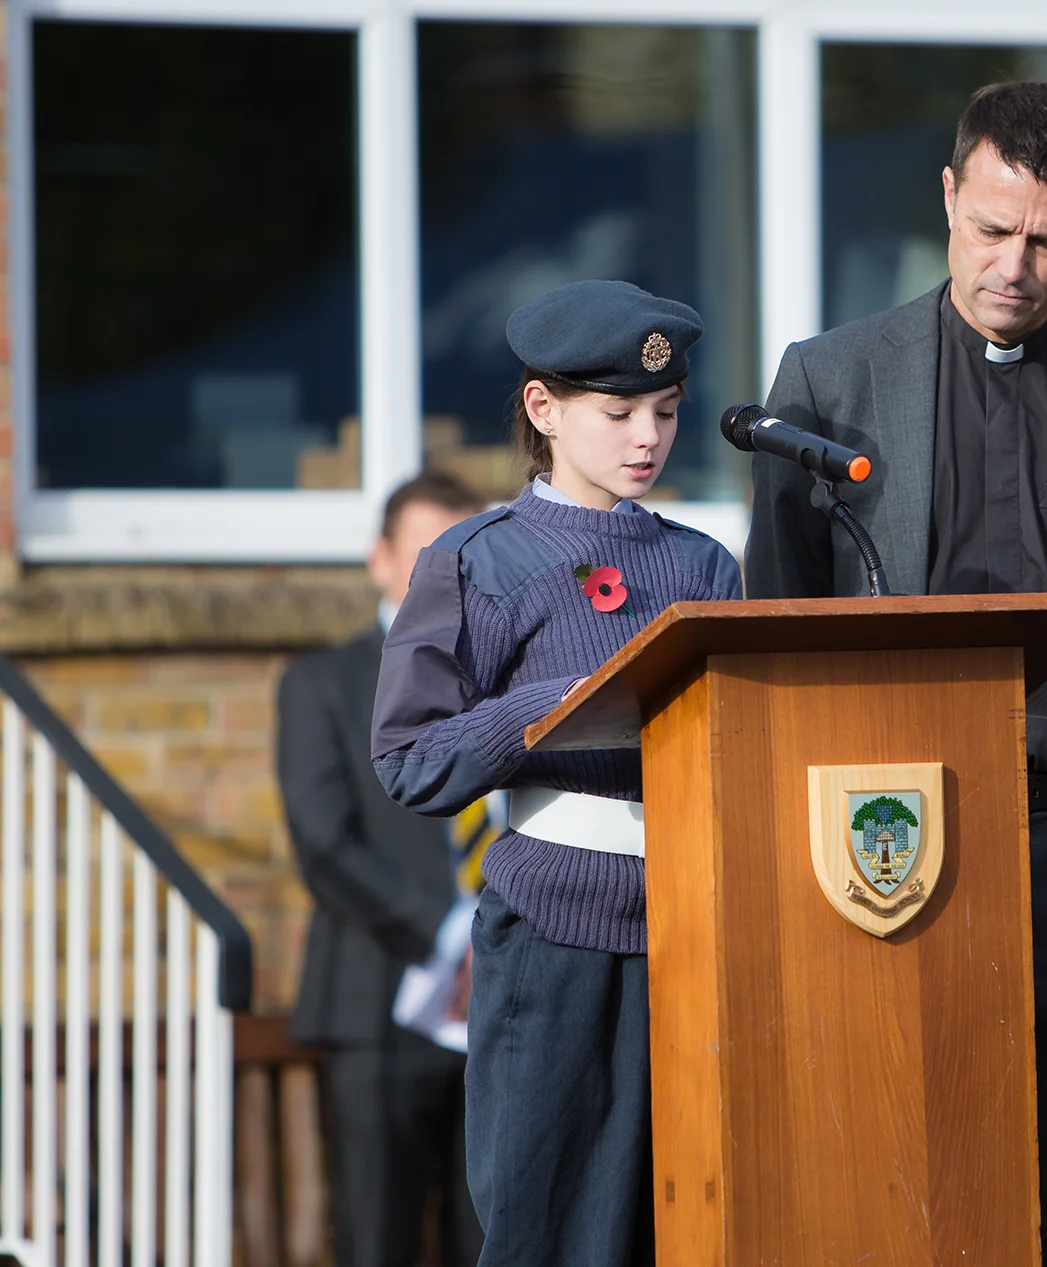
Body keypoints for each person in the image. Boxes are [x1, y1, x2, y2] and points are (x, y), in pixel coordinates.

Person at [744, 82, 1047, 1265]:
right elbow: (776, 628)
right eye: (993, 229)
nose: (1015, 266)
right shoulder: (828, 382)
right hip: (887, 838)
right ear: (949, 195)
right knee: (889, 1175)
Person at [370, 279, 743, 1267]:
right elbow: (409, 760)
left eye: (665, 413)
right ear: (544, 409)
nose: (646, 438)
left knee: (689, 1218)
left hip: (693, 933)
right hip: (552, 930)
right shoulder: (480, 561)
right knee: (546, 1226)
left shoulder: (705, 567)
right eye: (617, 412)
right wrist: (542, 709)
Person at [278, 469, 489, 1267]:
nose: (445, 573)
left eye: (462, 554)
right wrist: (450, 935)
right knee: (378, 1240)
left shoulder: (507, 677)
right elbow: (324, 843)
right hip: (379, 1002)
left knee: (496, 1241)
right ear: (378, 559)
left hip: (497, 1012)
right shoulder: (322, 683)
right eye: (424, 553)